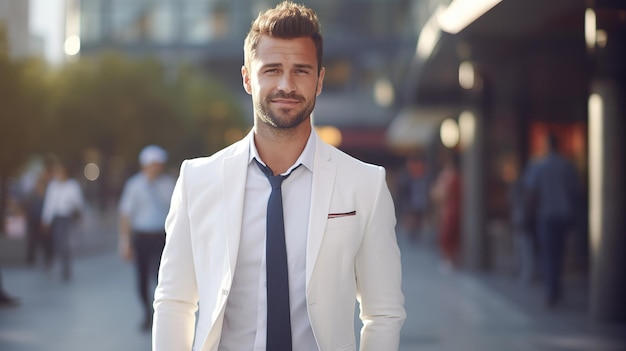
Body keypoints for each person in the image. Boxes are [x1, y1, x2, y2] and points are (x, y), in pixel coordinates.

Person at [152, 2, 406, 350]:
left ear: (319, 81)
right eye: (271, 69)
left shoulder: (365, 185)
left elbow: (383, 313)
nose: (286, 85)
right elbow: (174, 301)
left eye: (301, 71)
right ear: (247, 78)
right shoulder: (197, 179)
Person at [118, 145, 176, 332]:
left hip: (161, 237)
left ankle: (163, 314)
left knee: (162, 278)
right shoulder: (134, 185)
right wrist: (125, 242)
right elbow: (126, 215)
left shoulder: (168, 184)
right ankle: (146, 313)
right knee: (142, 278)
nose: (158, 167)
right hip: (141, 237)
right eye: (155, 164)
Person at [523, 132, 582, 308]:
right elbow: (576, 192)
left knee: (549, 254)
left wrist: (530, 214)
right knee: (559, 253)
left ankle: (552, 290)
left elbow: (531, 193)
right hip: (564, 215)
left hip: (546, 216)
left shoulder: (539, 167)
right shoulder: (567, 166)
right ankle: (555, 288)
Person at [40, 158, 85, 282]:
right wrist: (46, 219)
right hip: (56, 217)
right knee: (57, 241)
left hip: (67, 217)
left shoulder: (72, 186)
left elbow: (79, 203)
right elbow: (49, 204)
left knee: (65, 242)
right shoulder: (53, 186)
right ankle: (52, 259)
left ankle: (66, 268)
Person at [430, 151, 462, 273]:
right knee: (445, 233)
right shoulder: (445, 176)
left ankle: (450, 258)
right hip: (445, 208)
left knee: (449, 232)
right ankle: (448, 257)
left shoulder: (454, 177)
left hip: (451, 208)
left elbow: (443, 193)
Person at [395, 154, 430, 243]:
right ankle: (412, 235)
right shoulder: (406, 176)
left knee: (418, 219)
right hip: (409, 202)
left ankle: (416, 234)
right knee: (411, 218)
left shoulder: (424, 176)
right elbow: (401, 191)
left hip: (420, 202)